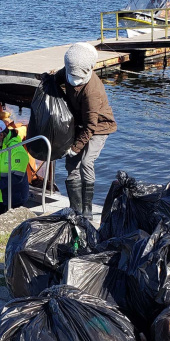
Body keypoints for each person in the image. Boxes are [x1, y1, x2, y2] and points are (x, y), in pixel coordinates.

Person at [62, 42, 117, 220]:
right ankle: (74, 207)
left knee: (86, 161)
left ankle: (87, 209)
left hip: (99, 127)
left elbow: (90, 126)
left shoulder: (92, 91)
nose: (74, 79)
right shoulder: (68, 72)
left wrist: (75, 147)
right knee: (71, 165)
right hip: (80, 123)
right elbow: (56, 79)